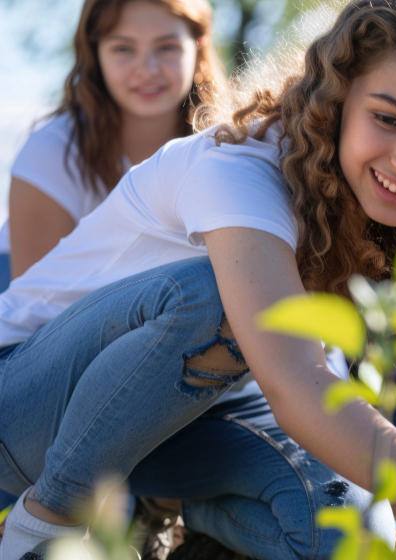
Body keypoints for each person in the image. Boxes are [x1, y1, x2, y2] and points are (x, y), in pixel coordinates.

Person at [0, 1, 396, 560]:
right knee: (216, 300)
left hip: (176, 433)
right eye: (387, 118)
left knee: (349, 541)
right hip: (26, 410)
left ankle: (173, 504)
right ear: (336, 101)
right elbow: (298, 382)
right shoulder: (241, 171)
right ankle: (46, 524)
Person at [0, 0, 227, 518]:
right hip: (49, 344)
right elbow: (47, 331)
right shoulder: (54, 153)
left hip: (165, 345)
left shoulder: (224, 149)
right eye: (123, 49)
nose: (147, 69)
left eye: (167, 47)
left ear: (199, 48)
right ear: (94, 54)